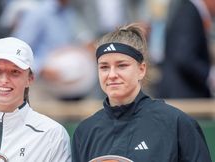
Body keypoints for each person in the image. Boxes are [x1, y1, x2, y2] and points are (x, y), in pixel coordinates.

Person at [71, 23, 212, 162]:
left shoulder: (176, 123)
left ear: (141, 69)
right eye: (104, 67)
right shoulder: (85, 132)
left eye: (122, 65)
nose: (112, 74)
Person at [155, 0, 215, 98]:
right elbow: (184, 57)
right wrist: (210, 75)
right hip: (182, 96)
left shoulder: (189, 11)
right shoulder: (189, 14)